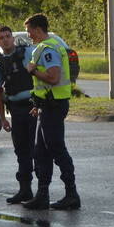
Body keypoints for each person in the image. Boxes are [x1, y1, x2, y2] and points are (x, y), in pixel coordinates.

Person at [22, 13, 80, 210]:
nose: (28, 35)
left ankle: (71, 194)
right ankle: (42, 195)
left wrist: (33, 70)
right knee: (41, 151)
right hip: (46, 105)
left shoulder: (48, 49)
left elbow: (53, 78)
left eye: (29, 31)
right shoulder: (49, 45)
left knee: (56, 148)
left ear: (38, 29)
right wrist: (37, 104)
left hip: (54, 106)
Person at [0, 25, 37, 204]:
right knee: (21, 150)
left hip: (34, 107)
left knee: (37, 150)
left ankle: (43, 191)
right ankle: (25, 190)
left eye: (8, 36)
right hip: (16, 110)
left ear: (13, 38)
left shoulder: (28, 53)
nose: (5, 40)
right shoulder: (0, 63)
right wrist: (2, 119)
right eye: (1, 38)